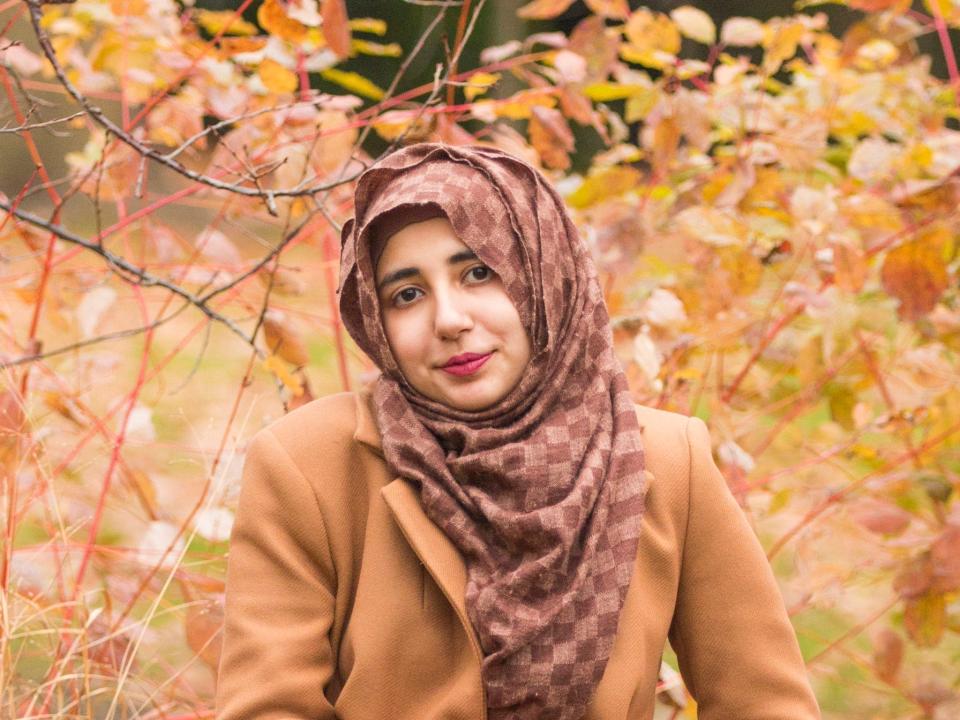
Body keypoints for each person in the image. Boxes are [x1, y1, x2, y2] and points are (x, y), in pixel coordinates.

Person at [215, 143, 821, 720]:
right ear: (375, 319)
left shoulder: (666, 461)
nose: (450, 320)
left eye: (479, 272)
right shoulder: (308, 467)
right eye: (407, 294)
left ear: (541, 275)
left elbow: (764, 702)